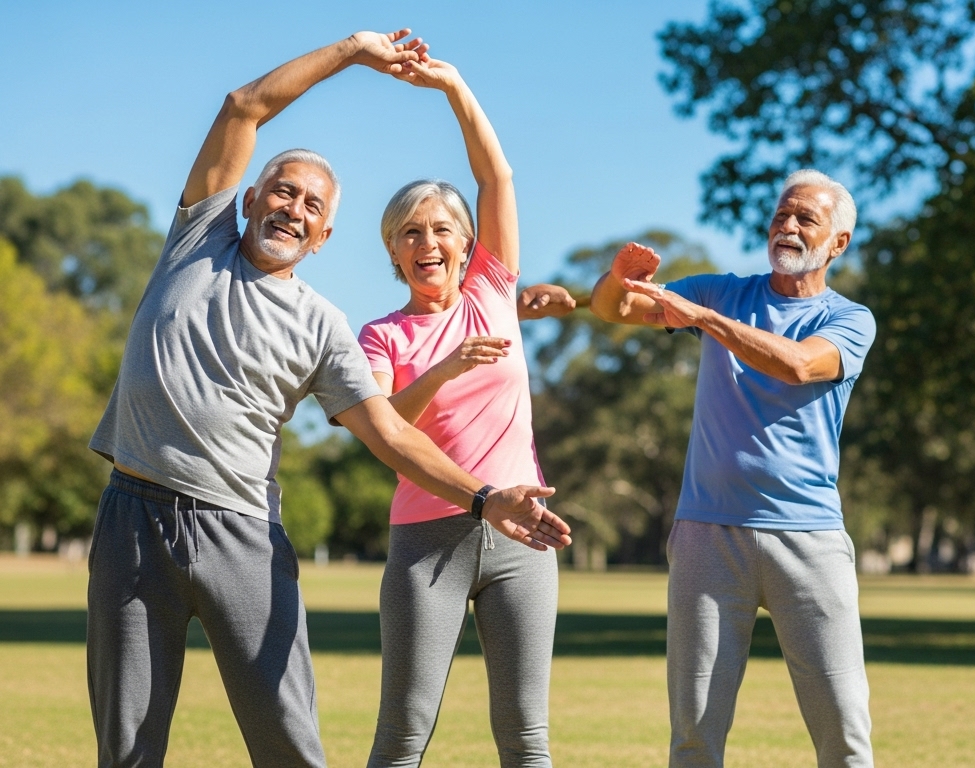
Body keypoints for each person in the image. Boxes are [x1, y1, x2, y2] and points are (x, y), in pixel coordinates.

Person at [85, 32, 571, 768]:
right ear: (248, 199)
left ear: (325, 235)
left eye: (312, 204)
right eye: (283, 190)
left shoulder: (324, 324)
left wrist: (484, 498)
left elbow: (384, 431)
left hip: (240, 529)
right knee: (126, 748)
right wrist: (351, 52)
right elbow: (244, 107)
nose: (293, 208)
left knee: (290, 745)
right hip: (133, 513)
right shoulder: (195, 241)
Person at [590, 170, 877, 768]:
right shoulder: (723, 290)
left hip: (810, 539)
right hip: (707, 535)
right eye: (781, 215)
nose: (788, 227)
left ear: (839, 242)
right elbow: (614, 311)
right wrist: (619, 281)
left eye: (805, 219)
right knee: (694, 736)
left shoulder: (851, 320)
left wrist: (704, 320)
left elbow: (798, 366)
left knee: (844, 734)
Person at [357, 56, 574, 768]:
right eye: (411, 233)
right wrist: (446, 368)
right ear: (394, 250)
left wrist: (452, 86)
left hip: (522, 536)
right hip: (428, 542)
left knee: (526, 735)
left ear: (466, 244)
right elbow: (386, 427)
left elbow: (495, 178)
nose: (429, 243)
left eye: (443, 229)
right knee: (404, 735)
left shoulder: (493, 293)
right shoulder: (382, 336)